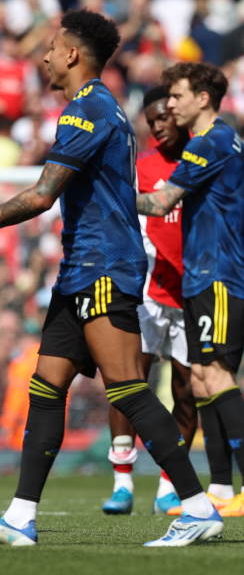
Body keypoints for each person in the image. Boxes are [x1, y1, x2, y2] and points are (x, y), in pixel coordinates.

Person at [0, 9, 221, 547]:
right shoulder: (100, 109)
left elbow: (43, 195)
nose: (43, 56)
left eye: (51, 47)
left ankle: (198, 506)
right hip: (78, 271)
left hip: (104, 267)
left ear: (71, 54)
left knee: (128, 388)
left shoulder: (87, 110)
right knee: (46, 387)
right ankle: (21, 517)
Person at [135, 61, 244, 518]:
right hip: (201, 276)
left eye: (178, 95)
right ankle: (219, 488)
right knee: (201, 379)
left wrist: (104, 195)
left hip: (219, 275)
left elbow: (163, 201)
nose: (171, 104)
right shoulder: (219, 140)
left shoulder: (211, 141)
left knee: (216, 376)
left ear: (203, 98)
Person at [101, 85, 197, 516]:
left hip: (190, 294)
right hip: (145, 293)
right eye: (152, 120)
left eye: (165, 118)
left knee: (186, 391)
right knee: (128, 382)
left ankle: (168, 486)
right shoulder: (139, 167)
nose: (158, 127)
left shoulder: (203, 164)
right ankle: (122, 481)